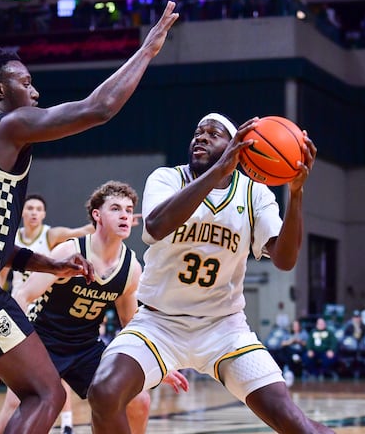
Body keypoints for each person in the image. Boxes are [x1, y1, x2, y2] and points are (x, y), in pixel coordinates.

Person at [0, 4, 178, 434]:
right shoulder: (7, 126)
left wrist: (51, 264)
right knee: (47, 393)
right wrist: (147, 50)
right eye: (25, 82)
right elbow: (98, 109)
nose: (35, 92)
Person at [87, 113, 332, 433]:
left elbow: (284, 260)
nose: (200, 137)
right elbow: (157, 225)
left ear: (237, 147)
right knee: (104, 393)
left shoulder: (253, 193)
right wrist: (219, 170)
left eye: (213, 134)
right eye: (198, 132)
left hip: (223, 328)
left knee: (292, 420)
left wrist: (296, 194)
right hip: (159, 323)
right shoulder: (167, 178)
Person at [0, 181, 188, 434]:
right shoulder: (70, 250)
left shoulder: (131, 268)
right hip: (42, 342)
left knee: (136, 399)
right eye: (116, 208)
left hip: (86, 347)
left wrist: (155, 361)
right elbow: (23, 296)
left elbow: (131, 323)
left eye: (128, 209)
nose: (125, 215)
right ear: (97, 215)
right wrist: (4, 348)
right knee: (11, 420)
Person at [0, 194, 94, 292]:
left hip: (40, 300)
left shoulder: (51, 235)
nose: (34, 213)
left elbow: (82, 231)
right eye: (30, 208)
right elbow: (2, 275)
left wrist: (102, 219)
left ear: (44, 214)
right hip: (17, 297)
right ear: (22, 212)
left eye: (38, 209)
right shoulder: (13, 236)